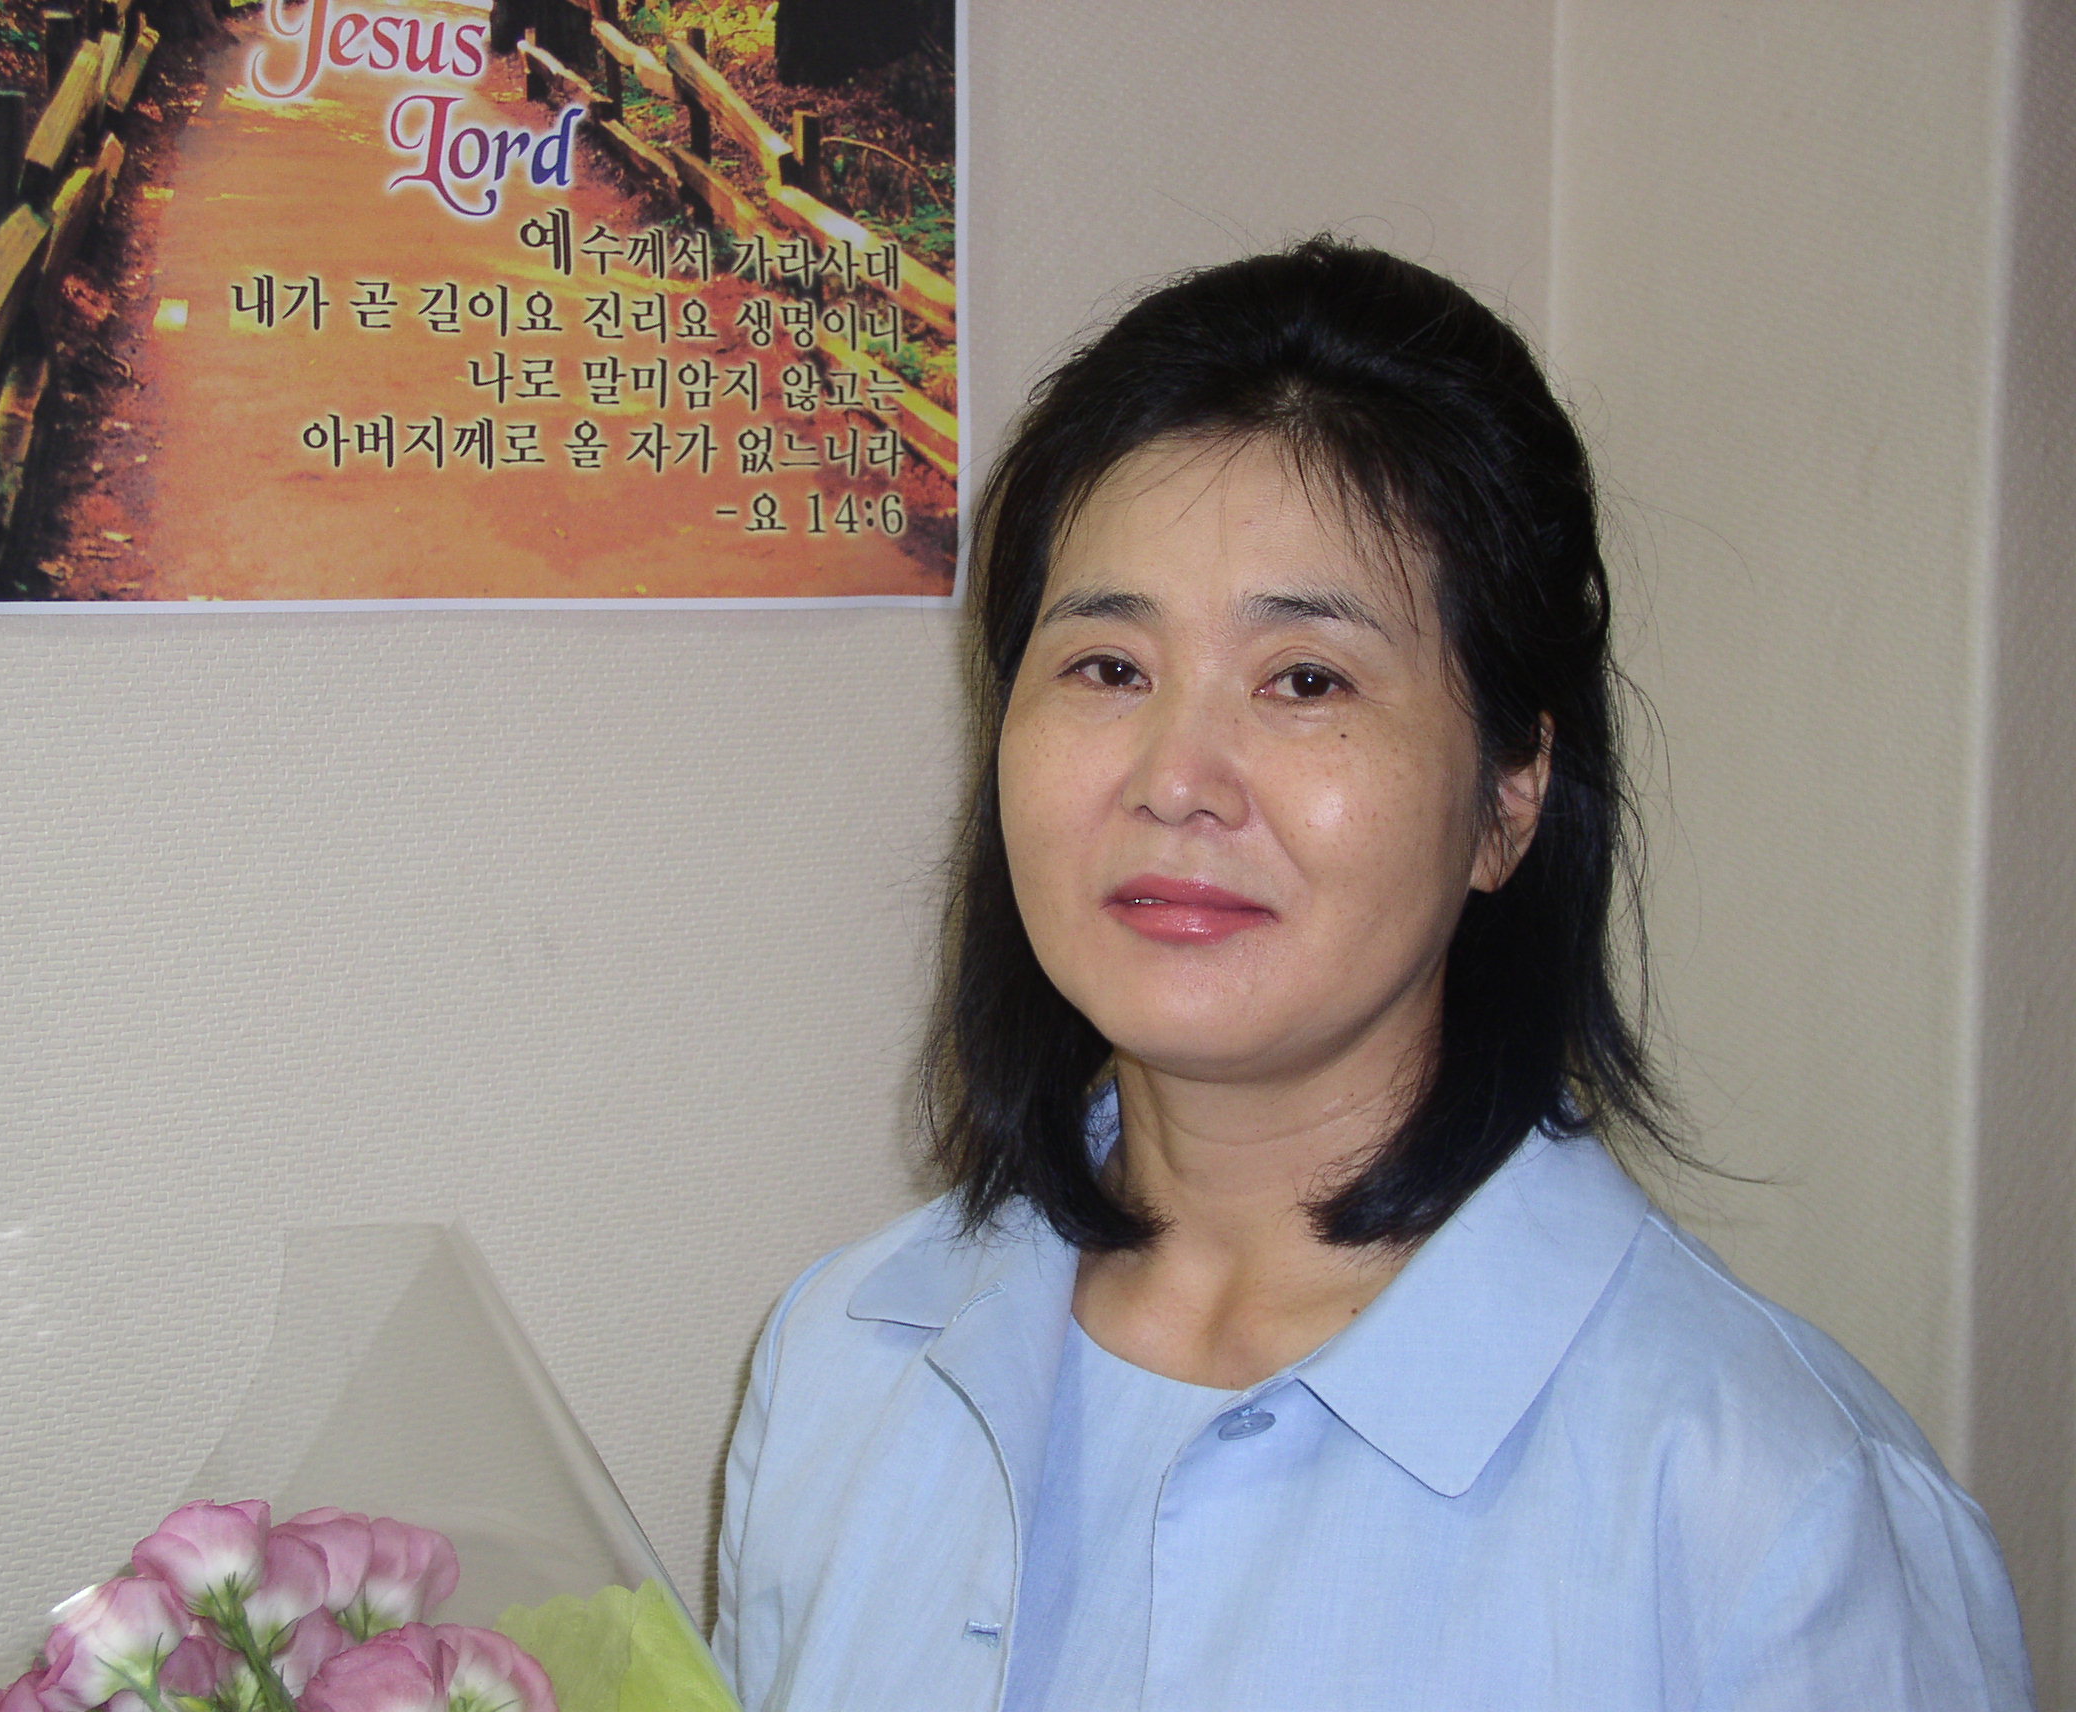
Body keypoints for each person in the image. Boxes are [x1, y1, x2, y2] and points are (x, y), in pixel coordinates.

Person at [709, 238, 2034, 1711]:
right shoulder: (840, 1362)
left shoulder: (1773, 1512)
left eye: (1306, 680)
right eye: (1107, 668)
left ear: (1511, 793)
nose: (1175, 779)